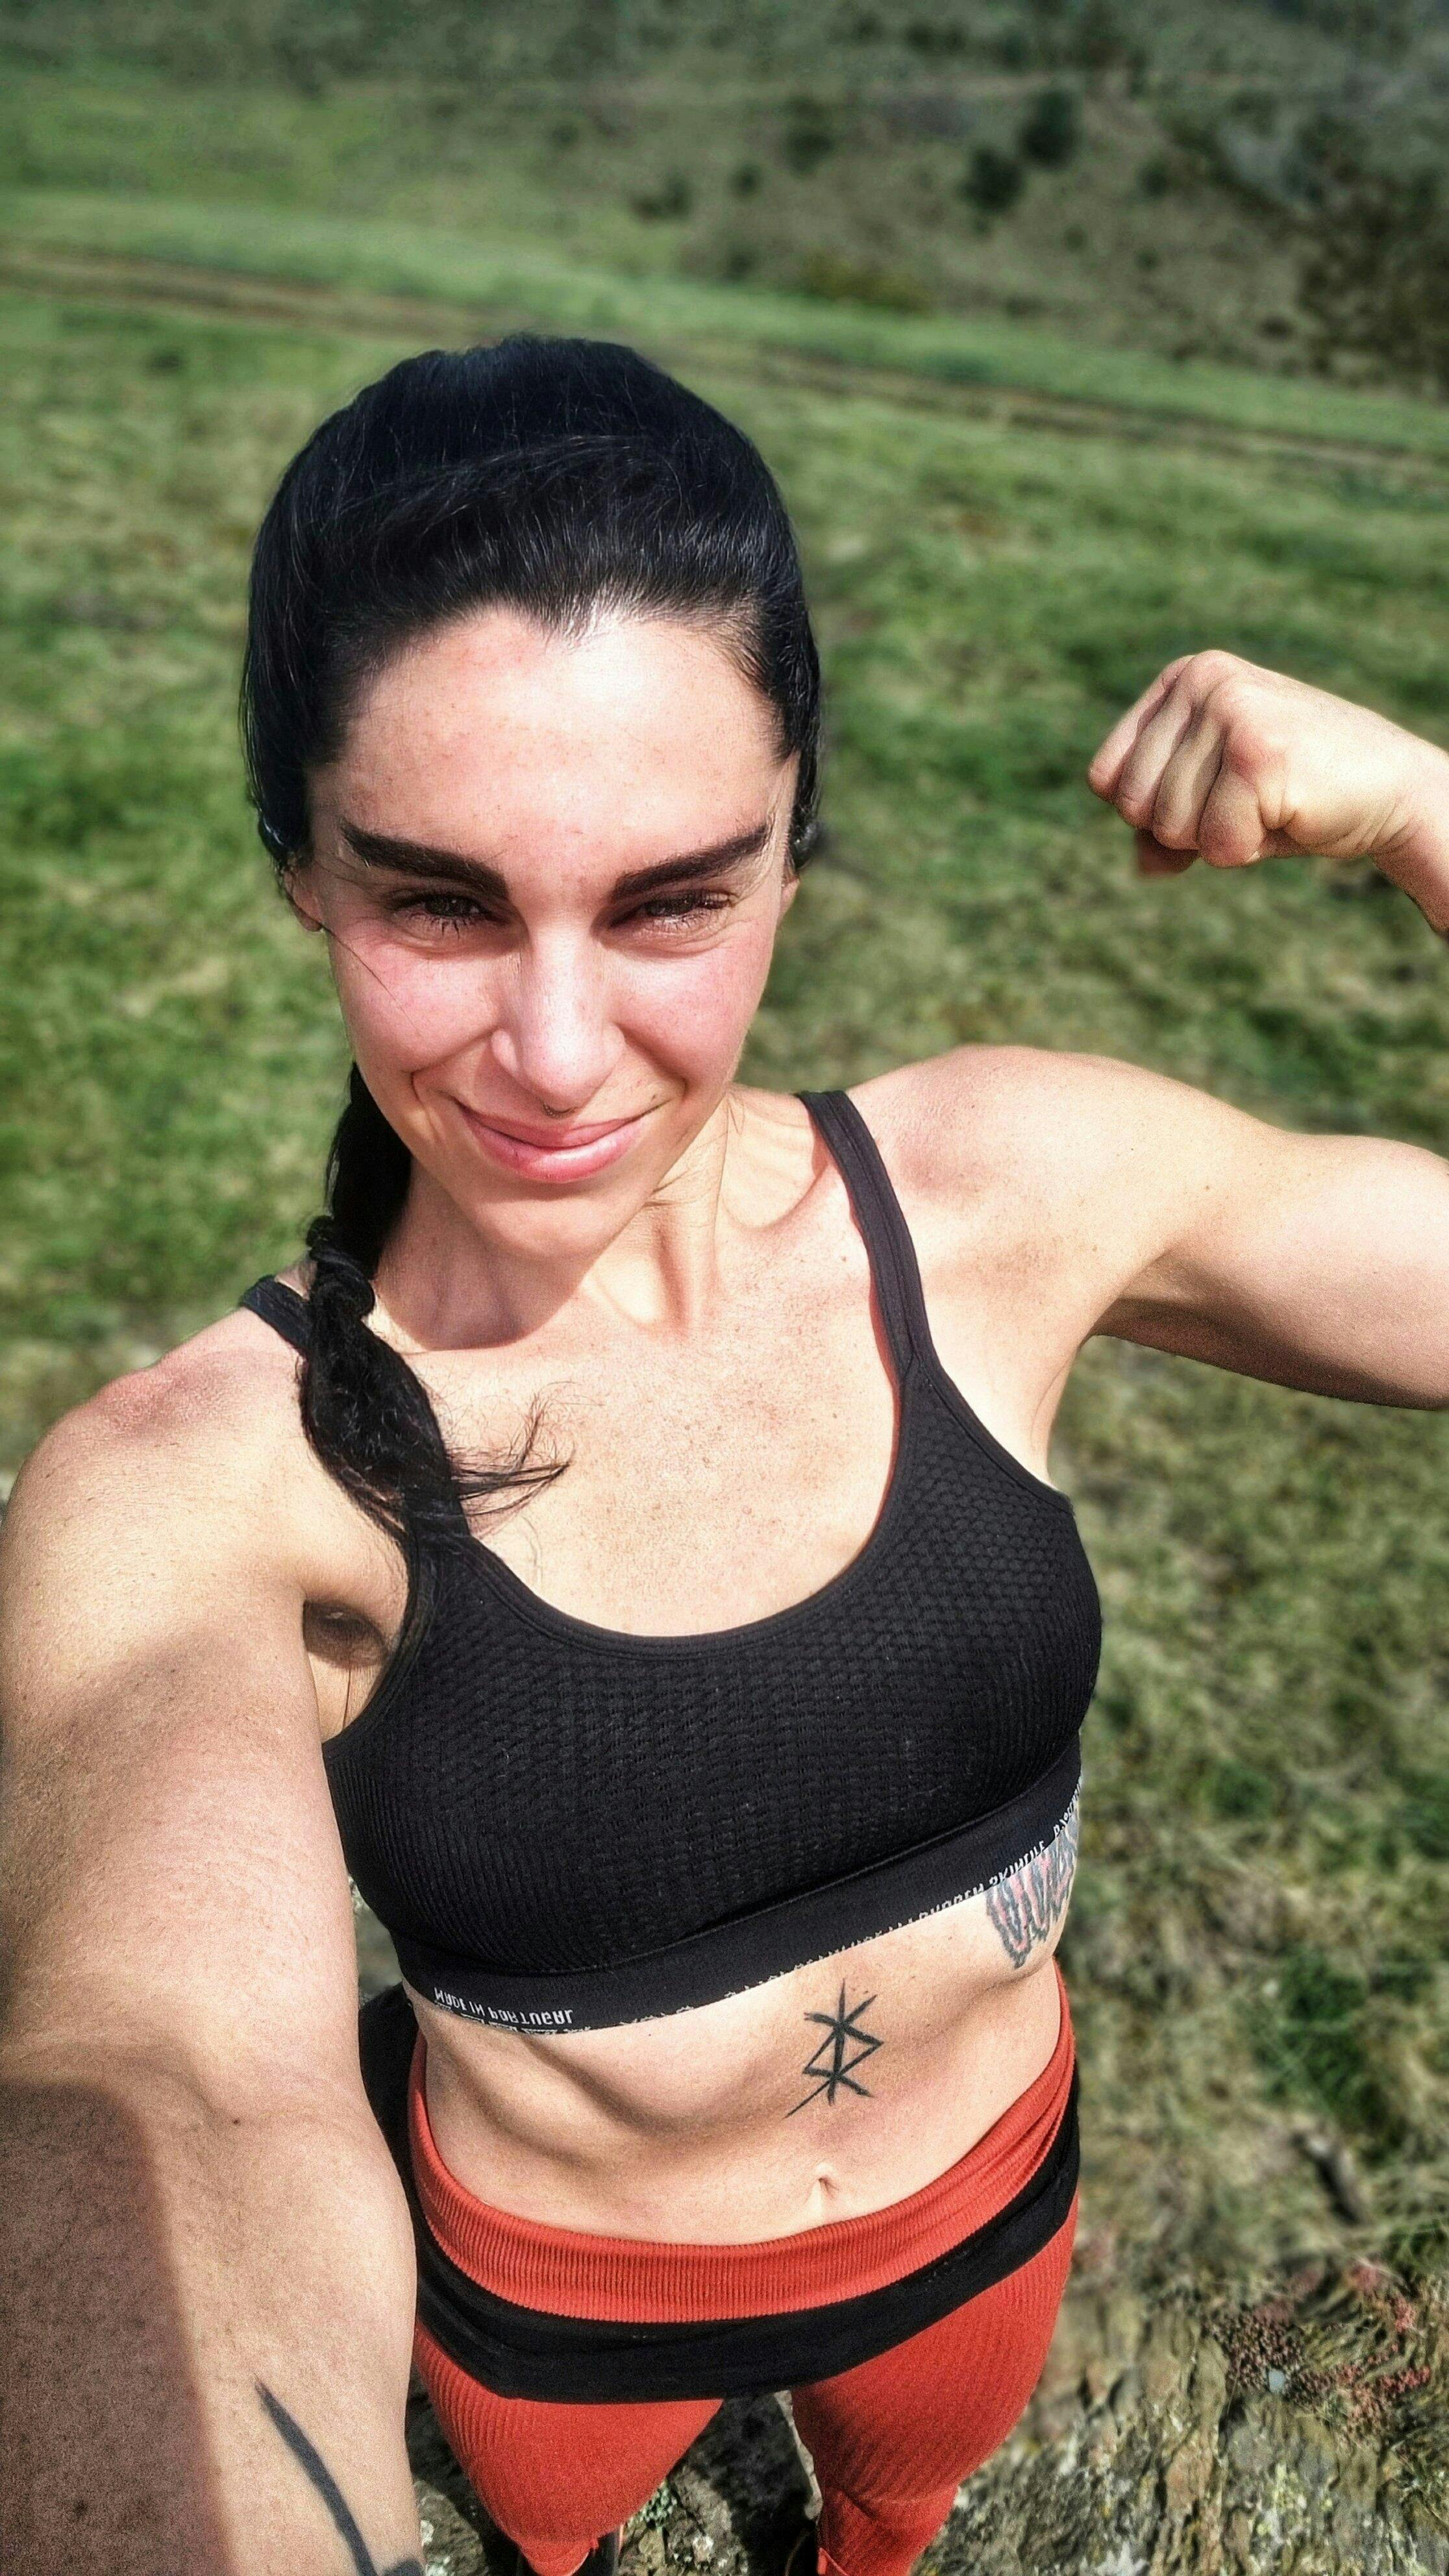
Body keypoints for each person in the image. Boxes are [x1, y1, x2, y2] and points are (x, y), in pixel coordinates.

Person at [1, 335, 1446, 2576]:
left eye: (674, 900)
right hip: (555, 2330)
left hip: (990, 2225)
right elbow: (169, 2092)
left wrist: (1429, 809)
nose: (558, 1050)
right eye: (437, 901)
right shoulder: (200, 1485)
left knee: (898, 2527)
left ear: (796, 845)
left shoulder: (1006, 1199)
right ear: (302, 870)